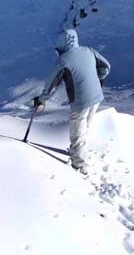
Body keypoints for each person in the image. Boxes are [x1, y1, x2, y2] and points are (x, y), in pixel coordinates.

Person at [33, 28, 110, 174]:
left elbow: (51, 86)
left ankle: (80, 166)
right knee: (84, 128)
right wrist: (99, 78)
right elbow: (106, 66)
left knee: (77, 133)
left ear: (61, 44)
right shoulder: (88, 50)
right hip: (96, 96)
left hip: (80, 101)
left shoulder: (63, 60)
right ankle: (79, 152)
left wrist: (40, 99)